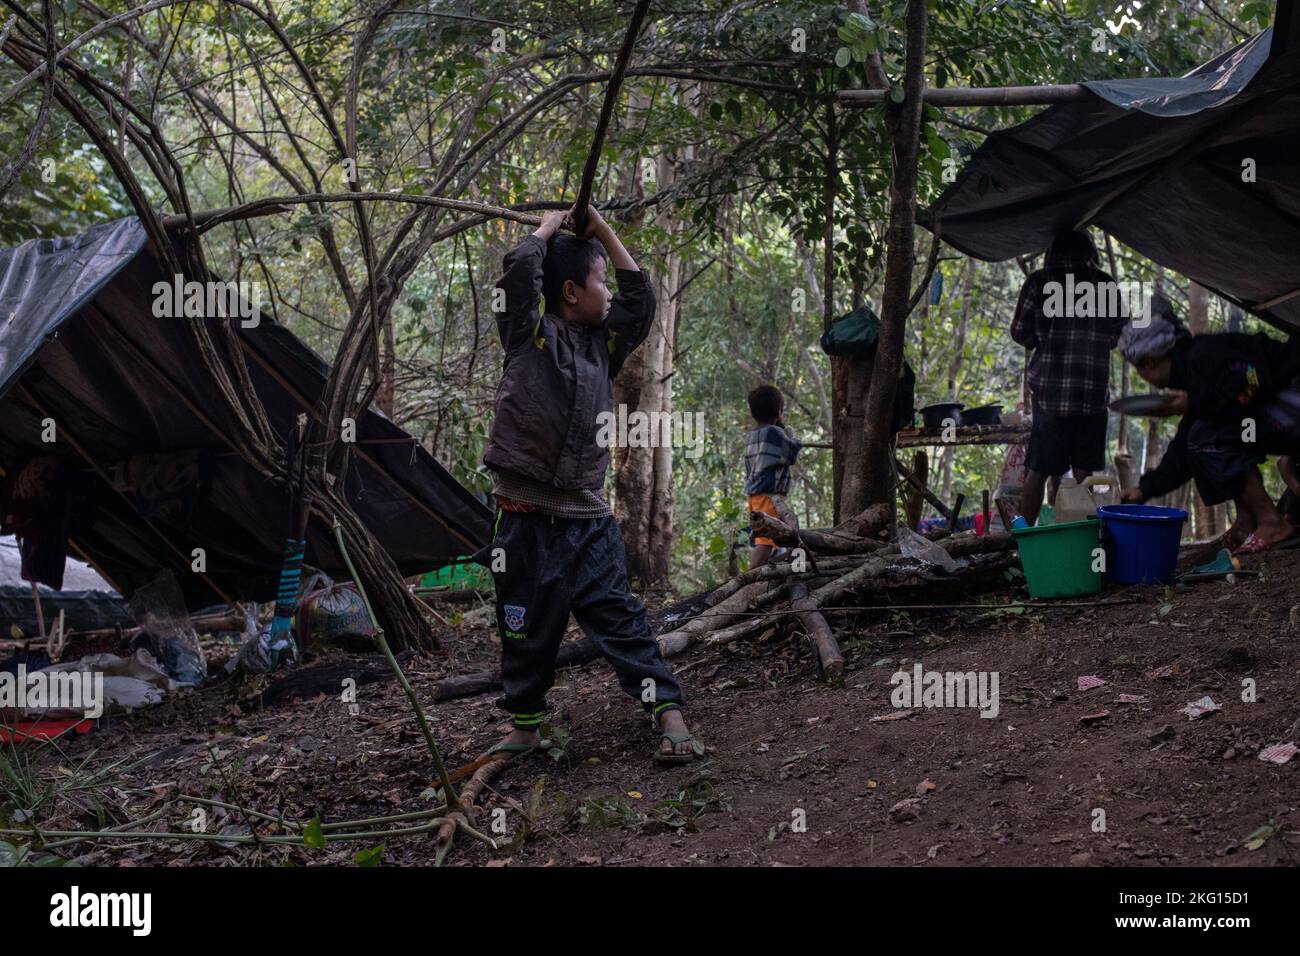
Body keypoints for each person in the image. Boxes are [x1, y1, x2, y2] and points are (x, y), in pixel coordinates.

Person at [482, 205, 701, 764]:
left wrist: (600, 227)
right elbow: (518, 272)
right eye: (598, 280)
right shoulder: (528, 333)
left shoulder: (605, 346)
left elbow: (639, 301)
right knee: (525, 625)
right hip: (524, 515)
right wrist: (548, 228)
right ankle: (526, 726)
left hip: (585, 517)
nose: (609, 291)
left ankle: (667, 713)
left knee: (619, 617)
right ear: (573, 292)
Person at [1119, 296, 1300, 553]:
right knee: (1201, 437)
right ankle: (1248, 521)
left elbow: (1253, 380)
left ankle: (1273, 523)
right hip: (1278, 408)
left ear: (1148, 362)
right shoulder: (1193, 377)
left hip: (1293, 394)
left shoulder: (1206, 356)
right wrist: (1144, 489)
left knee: (1207, 437)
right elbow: (1184, 448)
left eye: (1139, 369)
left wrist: (1196, 403)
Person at [1010, 230, 1125, 524]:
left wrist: (1045, 336)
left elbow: (1020, 332)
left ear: (1054, 251)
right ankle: (1077, 540)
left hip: (1051, 397)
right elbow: (1118, 336)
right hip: (1092, 397)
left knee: (1038, 468)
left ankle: (1024, 543)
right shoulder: (1105, 284)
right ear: (1091, 253)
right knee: (1084, 473)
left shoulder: (1040, 282)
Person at [743, 385, 802, 569]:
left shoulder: (753, 436)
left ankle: (785, 570)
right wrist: (794, 437)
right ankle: (748, 579)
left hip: (756, 497)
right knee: (766, 542)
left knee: (787, 533)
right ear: (778, 411)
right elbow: (790, 455)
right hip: (769, 496)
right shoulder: (774, 433)